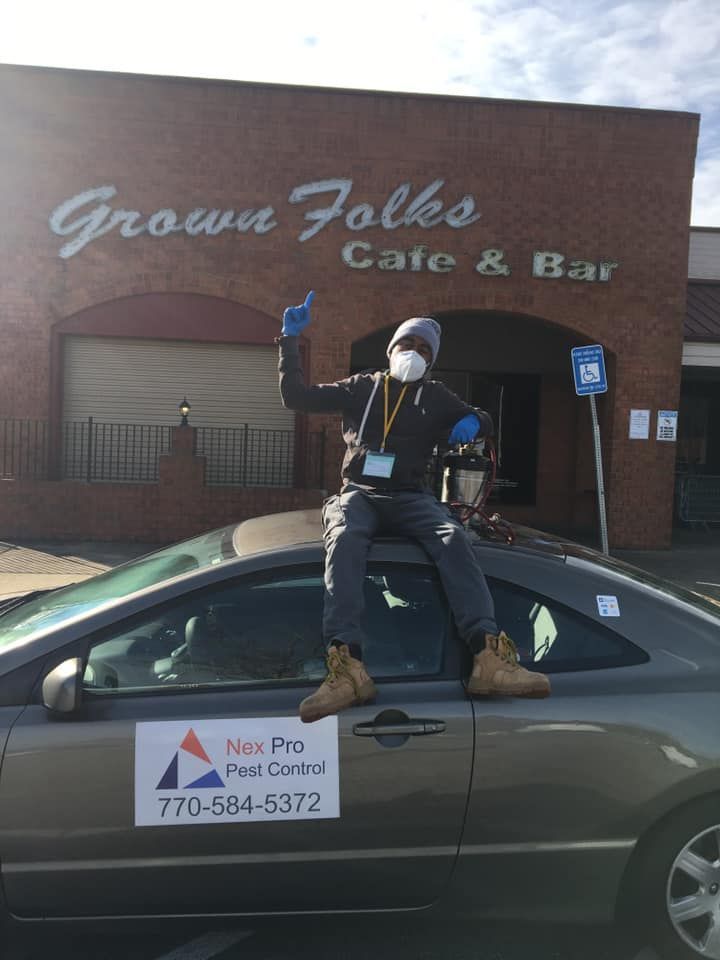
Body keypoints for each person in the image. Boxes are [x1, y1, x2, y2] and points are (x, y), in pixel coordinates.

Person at [277, 291, 550, 723]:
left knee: (452, 537)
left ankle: (488, 657)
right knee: (345, 540)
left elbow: (486, 418)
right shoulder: (361, 387)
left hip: (410, 496)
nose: (414, 353)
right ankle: (347, 666)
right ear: (392, 350)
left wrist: (475, 420)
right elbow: (297, 397)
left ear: (432, 360)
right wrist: (289, 341)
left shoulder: (437, 396)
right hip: (360, 493)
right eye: (408, 344)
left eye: (424, 349)